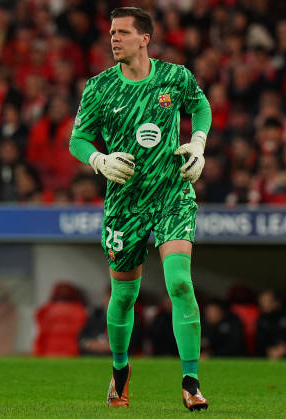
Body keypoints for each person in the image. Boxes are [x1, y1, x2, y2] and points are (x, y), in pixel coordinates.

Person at [68, 7, 211, 411]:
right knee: (124, 295)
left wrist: (198, 143)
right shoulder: (99, 88)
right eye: (112, 32)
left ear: (144, 38)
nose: (114, 38)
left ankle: (191, 382)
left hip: (171, 195)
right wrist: (99, 160)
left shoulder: (175, 78)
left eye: (123, 32)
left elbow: (201, 107)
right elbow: (78, 140)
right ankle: (119, 371)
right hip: (124, 203)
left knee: (179, 283)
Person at [256, 289, 286, 359]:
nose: (263, 304)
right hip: (268, 357)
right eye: (261, 301)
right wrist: (269, 350)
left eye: (266, 301)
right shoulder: (262, 319)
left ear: (277, 302)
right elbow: (260, 342)